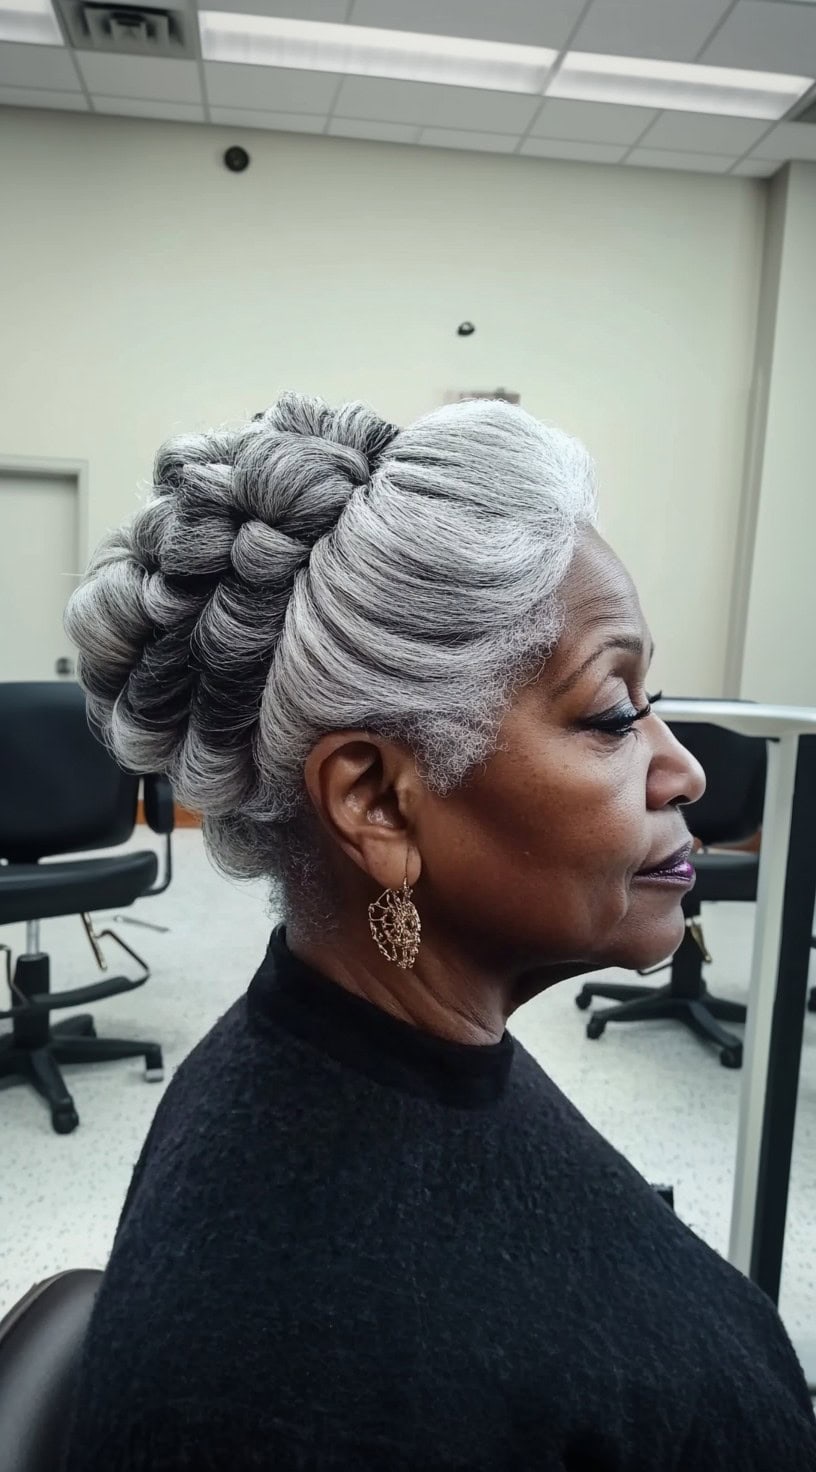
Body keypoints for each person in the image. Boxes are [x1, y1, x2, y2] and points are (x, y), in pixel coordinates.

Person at [61, 395, 815, 1471]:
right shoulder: (310, 1380)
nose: (682, 767)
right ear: (379, 803)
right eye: (611, 711)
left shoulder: (351, 1044)